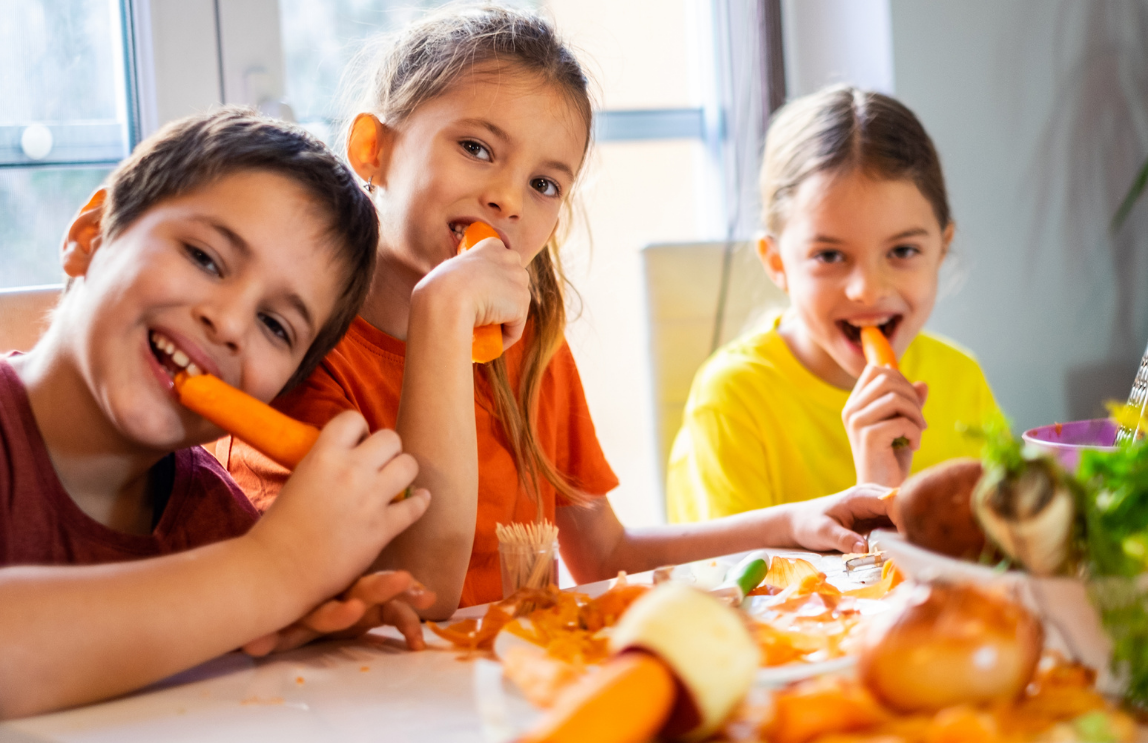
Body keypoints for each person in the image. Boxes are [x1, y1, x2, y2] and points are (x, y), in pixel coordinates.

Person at [221, 7, 894, 619]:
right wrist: (444, 317)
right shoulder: (296, 355)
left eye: (545, 184)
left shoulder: (532, 344)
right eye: (476, 148)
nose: (509, 200)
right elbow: (417, 592)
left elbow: (604, 556)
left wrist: (794, 522)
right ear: (376, 149)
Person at [0, 109, 434, 719]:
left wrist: (269, 626)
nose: (228, 323)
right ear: (91, 238)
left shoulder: (213, 520)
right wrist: (267, 576)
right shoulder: (247, 555)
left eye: (275, 325)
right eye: (205, 258)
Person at [666, 86, 1001, 524]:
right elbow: (729, 588)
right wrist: (877, 495)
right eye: (829, 256)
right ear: (777, 262)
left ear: (942, 249)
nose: (866, 289)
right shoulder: (732, 400)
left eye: (902, 251)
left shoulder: (962, 378)